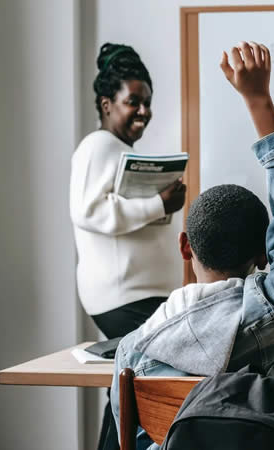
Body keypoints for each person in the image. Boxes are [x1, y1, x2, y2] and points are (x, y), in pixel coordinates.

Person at [110, 41, 274, 448]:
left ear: (185, 246)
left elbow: (134, 440)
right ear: (264, 253)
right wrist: (258, 100)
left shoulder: (135, 351)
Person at [69, 43, 186, 450]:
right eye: (133, 101)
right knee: (148, 381)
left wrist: (163, 206)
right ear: (106, 104)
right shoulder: (98, 145)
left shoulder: (121, 151)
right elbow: (89, 211)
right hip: (124, 296)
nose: (144, 111)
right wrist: (159, 204)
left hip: (139, 294)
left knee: (130, 381)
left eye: (148, 103)